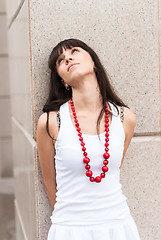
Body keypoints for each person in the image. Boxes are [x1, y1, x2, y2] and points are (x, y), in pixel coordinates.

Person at [36, 38, 141, 240]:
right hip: (70, 229)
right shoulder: (50, 122)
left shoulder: (124, 117)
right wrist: (73, 221)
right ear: (63, 81)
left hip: (118, 227)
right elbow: (50, 184)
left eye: (74, 51)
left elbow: (113, 167)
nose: (67, 58)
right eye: (60, 60)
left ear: (93, 62)